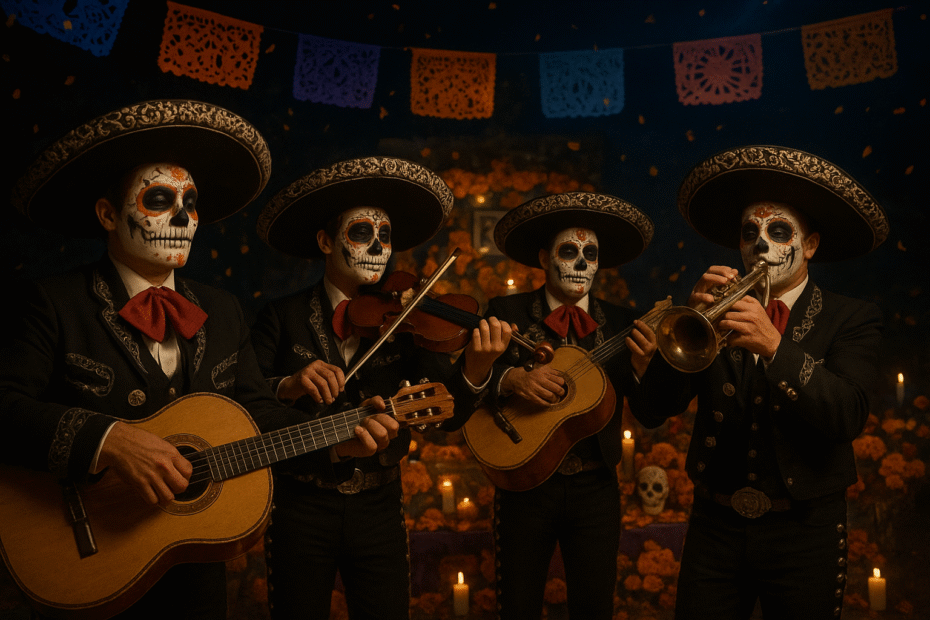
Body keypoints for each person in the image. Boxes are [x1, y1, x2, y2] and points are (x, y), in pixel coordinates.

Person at [0, 100, 397, 620]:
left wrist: (338, 437)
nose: (185, 218)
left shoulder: (222, 310)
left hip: (192, 564)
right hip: (83, 554)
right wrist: (108, 440)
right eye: (160, 200)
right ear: (107, 214)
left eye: (191, 202)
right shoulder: (53, 302)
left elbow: (256, 413)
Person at [631, 145, 889, 619]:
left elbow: (848, 414)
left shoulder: (851, 317)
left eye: (778, 231)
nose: (761, 245)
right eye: (750, 232)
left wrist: (776, 347)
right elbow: (651, 411)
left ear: (809, 245)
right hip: (715, 527)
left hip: (805, 532)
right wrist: (687, 324)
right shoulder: (716, 309)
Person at [252, 156, 499, 620]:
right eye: (362, 233)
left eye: (385, 236)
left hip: (379, 505)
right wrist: (289, 384)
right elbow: (248, 403)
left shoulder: (407, 317)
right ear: (327, 241)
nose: (379, 247)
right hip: (301, 505)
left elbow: (448, 412)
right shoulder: (280, 317)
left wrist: (476, 367)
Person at [441, 191, 658, 619]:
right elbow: (464, 391)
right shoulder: (506, 311)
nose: (581, 263)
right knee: (517, 605)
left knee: (593, 607)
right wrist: (511, 378)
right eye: (569, 251)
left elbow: (650, 413)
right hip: (525, 487)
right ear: (544, 258)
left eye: (590, 253)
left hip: (596, 489)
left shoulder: (622, 322)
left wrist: (645, 367)